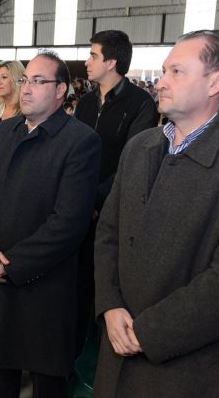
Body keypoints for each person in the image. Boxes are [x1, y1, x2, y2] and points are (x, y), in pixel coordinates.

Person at [94, 30, 219, 398]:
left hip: (188, 370)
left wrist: (146, 333)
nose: (160, 82)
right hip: (116, 354)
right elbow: (108, 233)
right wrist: (110, 305)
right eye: (164, 71)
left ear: (216, 81)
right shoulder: (139, 147)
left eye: (176, 72)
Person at [0, 52, 101, 398]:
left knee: (46, 383)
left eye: (38, 81)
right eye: (26, 79)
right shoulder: (3, 132)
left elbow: (68, 224)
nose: (26, 88)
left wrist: (7, 265)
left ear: (61, 90)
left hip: (44, 287)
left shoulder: (79, 141)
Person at [74, 30, 157, 354]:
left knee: (103, 288)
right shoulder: (84, 102)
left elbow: (132, 164)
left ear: (111, 62)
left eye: (93, 55)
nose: (87, 61)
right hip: (77, 210)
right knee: (75, 290)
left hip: (109, 215)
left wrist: (95, 200)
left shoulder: (140, 104)